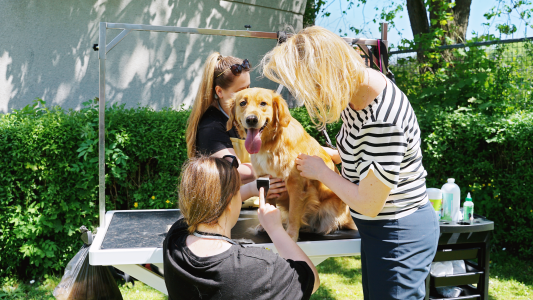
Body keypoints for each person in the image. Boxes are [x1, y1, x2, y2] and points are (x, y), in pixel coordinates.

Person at [261, 26, 439, 300]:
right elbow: (362, 153)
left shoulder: (382, 118)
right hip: (377, 227)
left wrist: (321, 171)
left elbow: (369, 202)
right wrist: (329, 155)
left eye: (309, 87)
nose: (310, 97)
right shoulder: (355, 94)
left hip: (398, 231)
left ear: (325, 75)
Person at [163, 156, 319, 300]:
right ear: (230, 202)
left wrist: (250, 188)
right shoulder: (257, 267)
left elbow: (192, 211)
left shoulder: (174, 241)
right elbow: (310, 279)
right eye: (239, 191)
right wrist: (276, 229)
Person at [185, 52, 286, 200]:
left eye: (248, 87)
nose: (248, 95)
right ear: (219, 92)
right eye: (240, 91)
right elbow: (234, 172)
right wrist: (274, 166)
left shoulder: (249, 118)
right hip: (225, 207)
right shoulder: (210, 126)